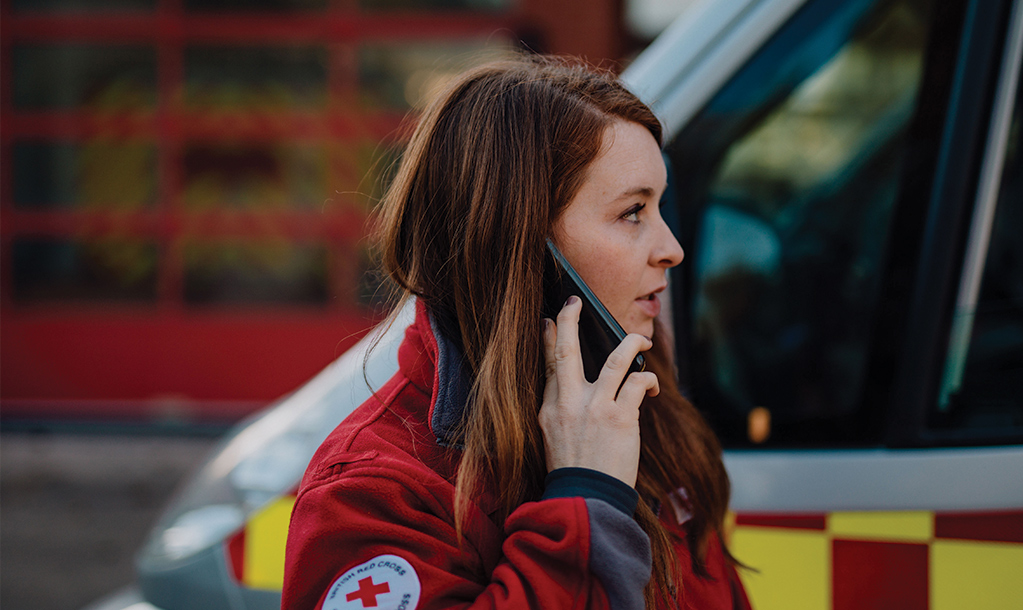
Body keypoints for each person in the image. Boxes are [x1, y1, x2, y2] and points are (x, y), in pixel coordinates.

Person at [281, 55, 751, 610]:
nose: (671, 248)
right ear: (523, 248)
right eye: (632, 212)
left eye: (660, 206)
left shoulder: (633, 399)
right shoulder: (375, 493)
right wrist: (586, 500)